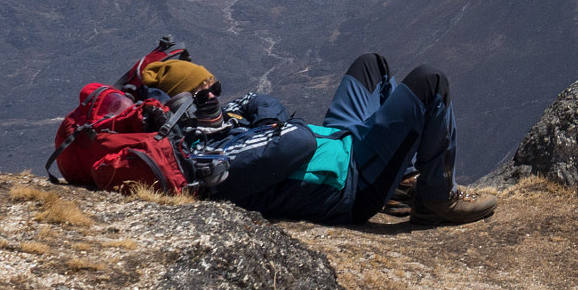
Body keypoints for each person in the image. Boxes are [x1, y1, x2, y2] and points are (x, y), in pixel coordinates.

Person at [191, 52, 496, 227]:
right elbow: (296, 140)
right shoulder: (214, 163)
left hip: (338, 142)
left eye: (214, 88)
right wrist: (273, 127)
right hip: (351, 179)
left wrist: (268, 123)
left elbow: (255, 99)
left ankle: (401, 181)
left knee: (371, 64)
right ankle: (436, 199)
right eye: (204, 91)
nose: (214, 95)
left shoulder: (209, 127)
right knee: (431, 81)